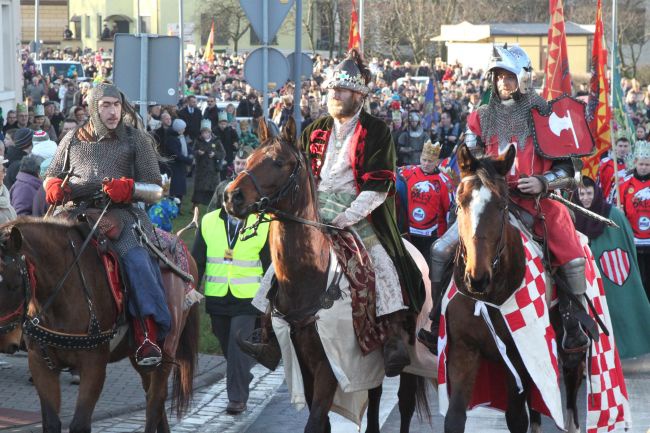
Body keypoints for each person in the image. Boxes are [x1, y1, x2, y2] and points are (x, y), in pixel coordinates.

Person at [240, 50, 423, 377]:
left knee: (381, 263)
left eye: (342, 91)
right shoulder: (316, 129)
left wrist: (346, 217)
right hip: (313, 206)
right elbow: (297, 175)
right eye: (332, 90)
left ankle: (393, 335)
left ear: (359, 95)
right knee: (279, 264)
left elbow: (378, 187)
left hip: (359, 210)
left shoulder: (377, 131)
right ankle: (267, 334)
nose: (334, 96)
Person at [421, 44, 589, 356]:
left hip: (534, 203)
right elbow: (466, 161)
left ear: (524, 78)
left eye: (508, 77)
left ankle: (572, 321)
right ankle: (436, 319)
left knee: (570, 252)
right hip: (490, 201)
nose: (502, 83)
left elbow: (572, 170)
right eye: (497, 77)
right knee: (441, 248)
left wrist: (541, 181)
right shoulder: (481, 117)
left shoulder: (544, 115)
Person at [44, 83, 169, 366]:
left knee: (136, 262)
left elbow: (157, 188)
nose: (113, 112)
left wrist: (129, 189)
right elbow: (51, 174)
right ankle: (33, 327)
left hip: (120, 215)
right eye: (106, 106)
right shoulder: (72, 138)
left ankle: (146, 336)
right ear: (92, 108)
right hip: (73, 212)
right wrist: (52, 186)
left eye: (116, 105)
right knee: (39, 253)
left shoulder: (136, 139)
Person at [191, 187, 270, 415]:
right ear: (222, 199)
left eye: (240, 197)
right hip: (217, 297)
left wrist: (270, 300)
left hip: (249, 298)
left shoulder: (262, 223)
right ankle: (242, 373)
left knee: (238, 345)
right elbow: (198, 260)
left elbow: (269, 265)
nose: (236, 202)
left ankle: (237, 398)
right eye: (232, 198)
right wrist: (191, 291)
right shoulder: (208, 221)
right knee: (227, 345)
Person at [573, 177, 650, 359]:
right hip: (586, 277)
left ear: (596, 193)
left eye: (589, 193)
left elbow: (626, 247)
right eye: (581, 193)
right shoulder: (573, 214)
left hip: (611, 276)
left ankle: (625, 349)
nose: (585, 198)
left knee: (619, 309)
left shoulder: (613, 214)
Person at [396, 140, 452, 263]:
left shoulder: (444, 181)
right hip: (408, 233)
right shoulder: (407, 172)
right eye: (423, 159)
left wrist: (446, 238)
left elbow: (449, 211)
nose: (426, 164)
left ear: (437, 162)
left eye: (430, 161)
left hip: (432, 236)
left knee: (426, 271)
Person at [620, 141, 650, 300]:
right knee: (639, 279)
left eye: (647, 164)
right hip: (634, 240)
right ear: (635, 163)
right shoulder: (626, 185)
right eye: (641, 163)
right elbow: (618, 209)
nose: (644, 167)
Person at [207, 146, 253, 213]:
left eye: (244, 164)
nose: (240, 167)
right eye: (237, 163)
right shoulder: (223, 186)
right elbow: (211, 212)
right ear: (234, 163)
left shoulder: (258, 187)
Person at [192, 119, 225, 207]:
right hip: (201, 169)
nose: (204, 135)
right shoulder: (198, 141)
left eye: (206, 133)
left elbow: (222, 153)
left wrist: (215, 154)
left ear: (210, 132)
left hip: (213, 169)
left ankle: (213, 205)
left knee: (213, 188)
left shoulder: (216, 141)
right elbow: (193, 152)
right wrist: (198, 153)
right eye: (203, 133)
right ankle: (195, 206)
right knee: (199, 189)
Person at [163, 119, 194, 206]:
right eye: (183, 128)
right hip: (174, 167)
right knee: (175, 189)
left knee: (180, 189)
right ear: (178, 129)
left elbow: (188, 148)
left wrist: (191, 154)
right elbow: (176, 154)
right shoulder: (171, 139)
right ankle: (174, 207)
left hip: (180, 166)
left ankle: (177, 207)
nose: (184, 130)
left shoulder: (180, 137)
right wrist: (188, 160)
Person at [597, 137, 631, 202]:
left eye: (625, 146)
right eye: (620, 146)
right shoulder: (605, 163)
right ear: (615, 147)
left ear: (629, 148)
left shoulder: (634, 166)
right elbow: (598, 185)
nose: (623, 149)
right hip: (606, 202)